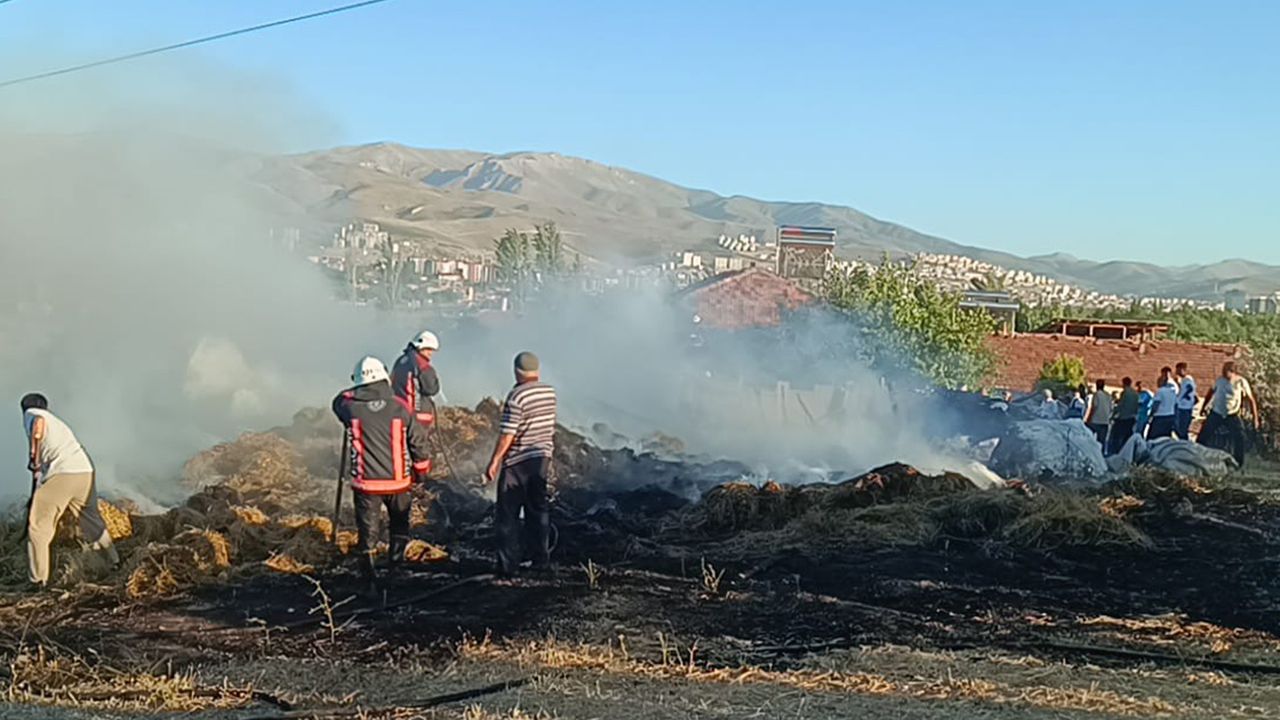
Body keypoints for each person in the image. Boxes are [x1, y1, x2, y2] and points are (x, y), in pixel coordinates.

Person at [332, 356, 433, 594]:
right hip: (399, 482)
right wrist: (421, 472)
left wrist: (357, 392)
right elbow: (418, 443)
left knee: (367, 531)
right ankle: (395, 570)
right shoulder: (401, 407)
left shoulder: (349, 407)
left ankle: (369, 580)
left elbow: (338, 400)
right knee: (399, 525)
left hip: (366, 485)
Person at [20, 393, 119, 589]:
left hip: (63, 473)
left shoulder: (32, 413)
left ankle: (38, 580)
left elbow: (38, 424)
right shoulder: (57, 423)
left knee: (38, 528)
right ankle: (113, 561)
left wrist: (33, 456)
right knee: (92, 520)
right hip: (84, 471)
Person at [485, 352, 558, 576]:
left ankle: (507, 566)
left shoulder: (516, 397)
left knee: (508, 514)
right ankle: (540, 561)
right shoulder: (549, 392)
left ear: (517, 371)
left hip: (518, 461)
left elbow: (508, 434)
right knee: (538, 509)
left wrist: (495, 461)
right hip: (541, 458)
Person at [1198, 361, 1259, 468]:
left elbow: (1251, 400)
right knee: (1203, 435)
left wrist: (1255, 418)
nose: (1224, 374)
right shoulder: (1219, 380)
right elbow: (1210, 393)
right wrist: (1203, 407)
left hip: (1232, 414)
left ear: (1232, 371)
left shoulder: (1240, 382)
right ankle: (1197, 456)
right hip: (1217, 413)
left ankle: (1238, 462)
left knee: (1239, 437)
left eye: (1226, 372)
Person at [391, 330, 441, 435]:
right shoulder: (422, 365)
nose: (430, 353)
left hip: (399, 416)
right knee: (418, 444)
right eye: (428, 349)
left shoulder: (400, 361)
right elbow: (432, 388)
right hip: (418, 418)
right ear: (420, 347)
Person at [1147, 367, 1179, 439]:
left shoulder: (1160, 391)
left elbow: (1156, 405)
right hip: (1170, 415)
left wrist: (1151, 415)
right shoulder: (1172, 391)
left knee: (1153, 437)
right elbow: (1176, 404)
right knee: (1165, 437)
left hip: (1160, 416)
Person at [1111, 377, 1140, 455]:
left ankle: (1117, 452)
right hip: (1132, 417)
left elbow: (1121, 405)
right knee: (1128, 437)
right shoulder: (1135, 394)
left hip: (1123, 417)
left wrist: (1113, 414)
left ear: (1124, 383)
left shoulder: (1125, 393)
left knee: (1117, 436)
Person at [1085, 378, 1113, 449]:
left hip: (1096, 421)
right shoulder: (1108, 396)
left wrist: (1088, 419)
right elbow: (1110, 408)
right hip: (1105, 421)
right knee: (1102, 442)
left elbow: (1093, 408)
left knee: (1089, 438)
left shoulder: (1096, 394)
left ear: (1097, 386)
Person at [1174, 362, 1198, 440]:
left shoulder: (1187, 380)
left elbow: (1186, 391)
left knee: (1181, 429)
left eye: (1178, 370)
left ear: (1183, 370)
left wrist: (1178, 400)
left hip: (1184, 407)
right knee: (1179, 428)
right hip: (1184, 406)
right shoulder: (1185, 380)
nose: (1176, 372)